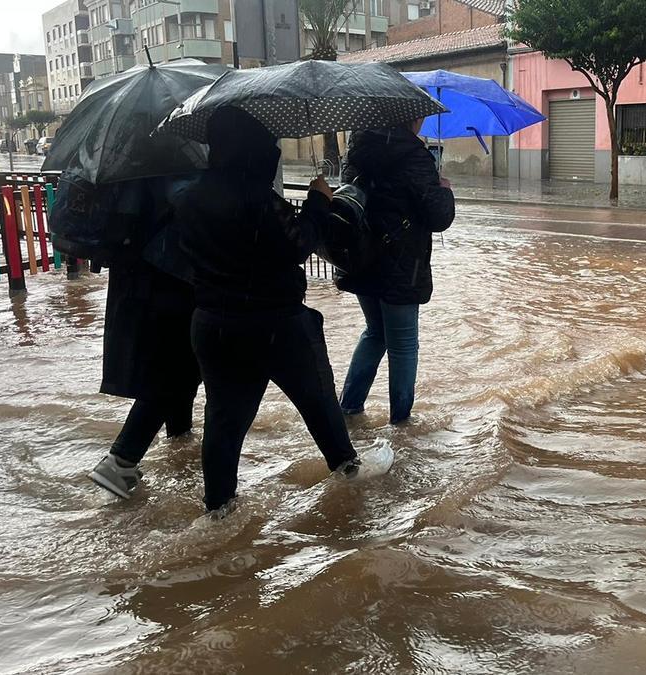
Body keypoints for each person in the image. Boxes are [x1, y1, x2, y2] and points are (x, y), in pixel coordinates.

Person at [172, 106, 391, 516]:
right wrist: (317, 203)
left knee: (223, 421)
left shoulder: (188, 197)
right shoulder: (257, 199)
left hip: (214, 323)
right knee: (319, 402)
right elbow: (295, 246)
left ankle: (219, 508)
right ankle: (349, 471)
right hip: (275, 323)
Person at [87, 179, 201, 500]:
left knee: (178, 364)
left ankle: (180, 444)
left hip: (142, 274)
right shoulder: (173, 166)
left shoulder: (136, 163)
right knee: (178, 370)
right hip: (169, 275)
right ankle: (121, 461)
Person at [336, 119, 455, 425]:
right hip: (401, 263)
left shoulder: (357, 150)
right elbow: (438, 217)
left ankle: (348, 407)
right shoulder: (415, 156)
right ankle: (401, 422)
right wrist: (444, 191)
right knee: (402, 344)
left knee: (375, 332)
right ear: (411, 118)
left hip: (362, 256)